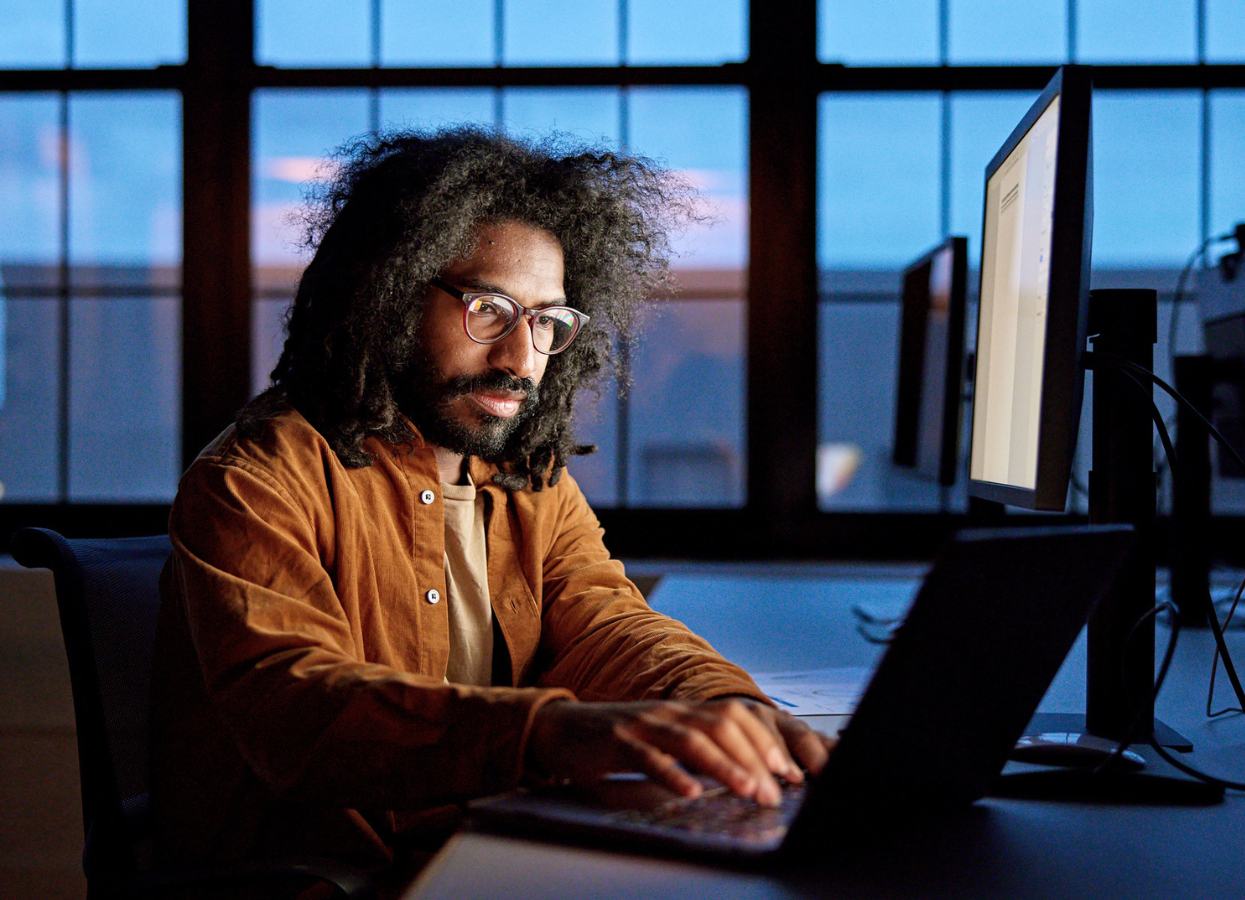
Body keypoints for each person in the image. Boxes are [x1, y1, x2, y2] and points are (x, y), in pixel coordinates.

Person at [150, 126, 832, 897]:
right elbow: (302, 711)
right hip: (328, 881)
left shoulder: (522, 474)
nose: (520, 358)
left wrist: (728, 707)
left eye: (547, 322)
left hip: (481, 848)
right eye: (488, 308)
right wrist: (550, 732)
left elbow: (607, 623)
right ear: (386, 294)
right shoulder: (254, 479)